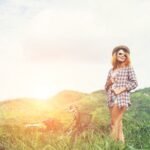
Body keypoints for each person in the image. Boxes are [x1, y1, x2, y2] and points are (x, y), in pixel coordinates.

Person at [104, 45, 138, 143]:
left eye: (125, 54)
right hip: (111, 99)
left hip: (121, 99)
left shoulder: (128, 68)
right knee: (118, 125)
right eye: (120, 53)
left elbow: (134, 83)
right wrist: (110, 82)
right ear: (115, 55)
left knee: (114, 124)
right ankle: (121, 146)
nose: (122, 56)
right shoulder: (111, 71)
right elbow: (106, 87)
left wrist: (121, 89)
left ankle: (111, 145)